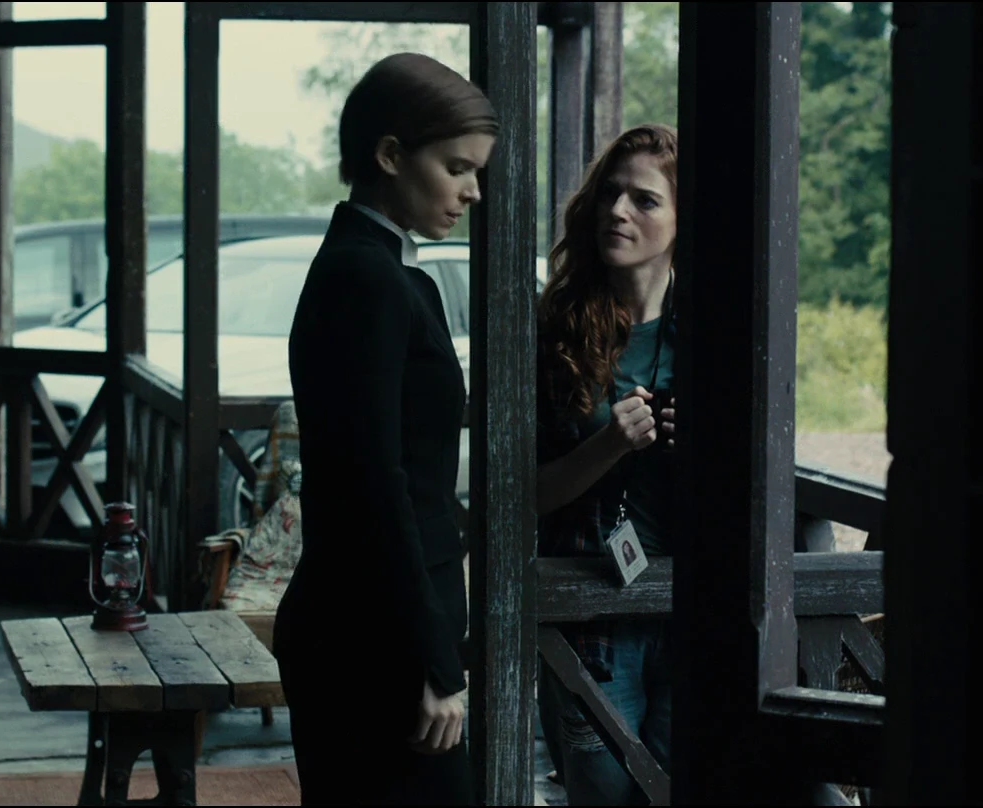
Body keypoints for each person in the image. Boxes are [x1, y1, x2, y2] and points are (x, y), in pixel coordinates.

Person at [275, 52, 498, 806]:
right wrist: (430, 660)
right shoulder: (363, 278)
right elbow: (371, 486)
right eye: (457, 168)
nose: (472, 191)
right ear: (391, 154)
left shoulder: (390, 274)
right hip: (372, 640)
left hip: (379, 627)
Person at [534, 123, 682, 806]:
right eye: (610, 194)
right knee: (602, 792)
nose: (617, 211)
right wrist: (610, 443)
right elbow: (524, 498)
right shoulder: (555, 330)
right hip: (590, 611)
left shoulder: (723, 328)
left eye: (644, 200)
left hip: (692, 611)